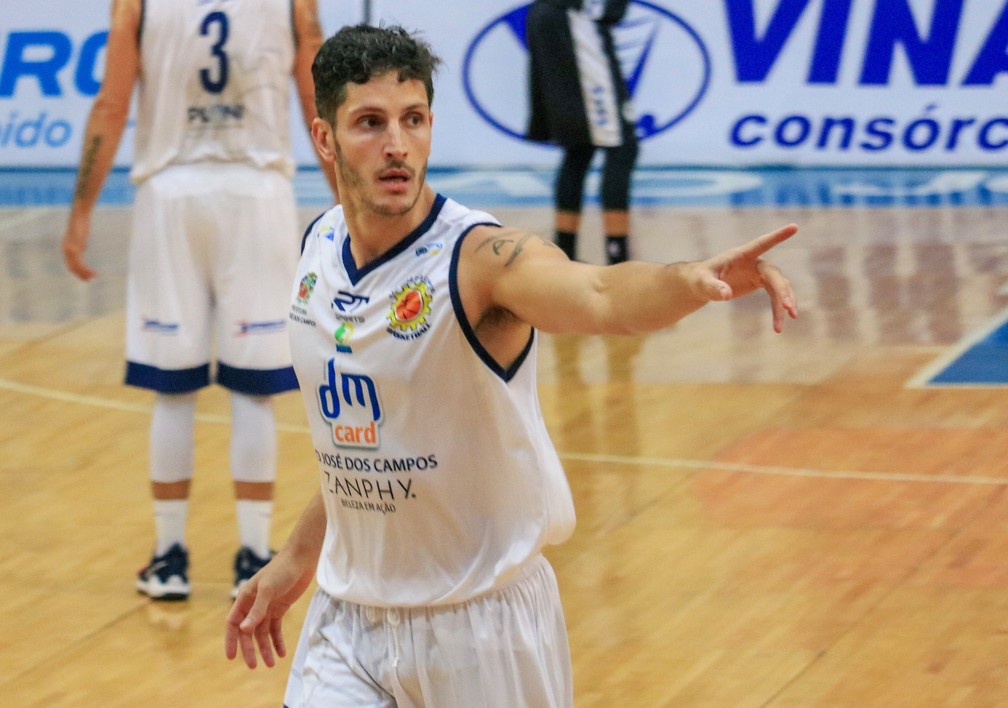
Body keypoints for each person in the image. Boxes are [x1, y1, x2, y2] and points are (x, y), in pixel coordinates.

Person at [224, 23, 798, 707]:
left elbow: (599, 295)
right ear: (325, 138)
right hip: (348, 622)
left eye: (414, 120)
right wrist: (299, 553)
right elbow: (367, 442)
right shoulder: (318, 245)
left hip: (483, 629)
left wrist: (687, 279)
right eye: (369, 123)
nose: (397, 145)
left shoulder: (479, 260)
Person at [60, 0, 339, 601]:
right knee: (254, 389)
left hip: (171, 197)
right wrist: (348, 202)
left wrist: (81, 211)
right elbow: (318, 94)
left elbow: (111, 102)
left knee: (172, 386)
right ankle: (253, 555)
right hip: (257, 194)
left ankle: (168, 558)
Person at [526, 0, 638, 265]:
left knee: (580, 146)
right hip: (573, 18)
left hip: (561, 16)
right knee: (621, 146)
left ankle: (564, 254)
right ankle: (617, 258)